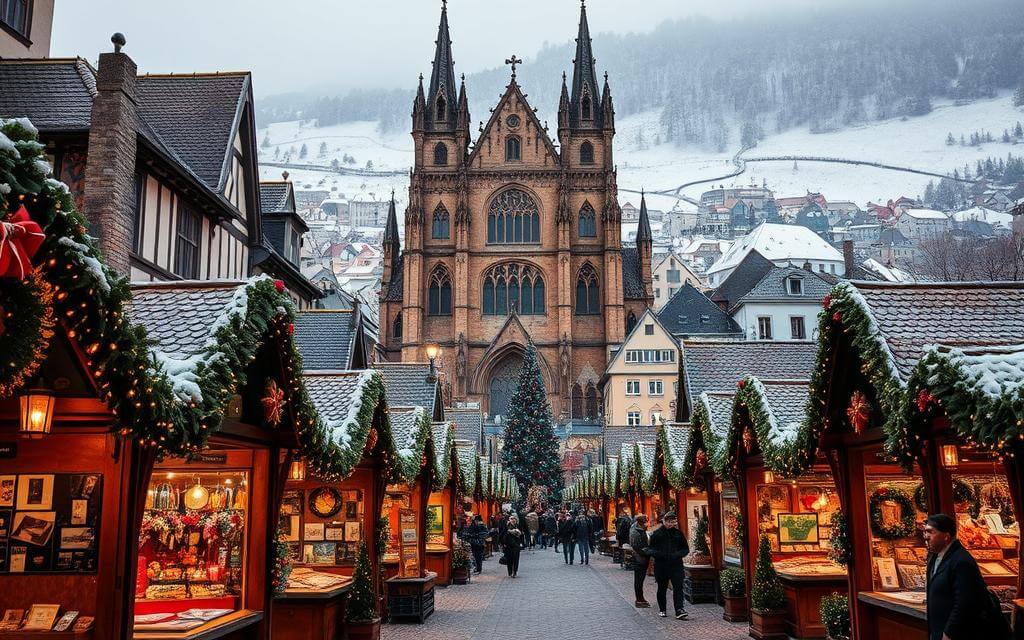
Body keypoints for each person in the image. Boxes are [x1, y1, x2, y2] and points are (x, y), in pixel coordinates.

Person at [924, 513, 1010, 640]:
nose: (925, 536)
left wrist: (949, 633)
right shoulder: (935, 558)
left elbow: (965, 603)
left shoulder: (961, 561)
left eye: (930, 532)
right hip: (938, 631)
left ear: (946, 536)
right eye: (925, 532)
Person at [647, 511, 689, 620]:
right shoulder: (656, 534)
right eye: (669, 522)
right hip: (661, 565)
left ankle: (679, 610)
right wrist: (659, 554)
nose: (671, 524)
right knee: (662, 588)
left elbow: (685, 549)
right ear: (664, 521)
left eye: (673, 522)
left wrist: (677, 554)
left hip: (676, 565)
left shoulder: (678, 533)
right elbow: (650, 549)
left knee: (678, 587)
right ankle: (662, 609)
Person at [629, 514, 652, 608]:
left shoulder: (636, 528)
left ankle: (640, 598)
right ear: (640, 523)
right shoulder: (636, 532)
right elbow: (639, 548)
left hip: (640, 558)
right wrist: (650, 551)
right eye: (645, 522)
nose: (647, 524)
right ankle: (639, 599)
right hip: (640, 559)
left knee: (639, 580)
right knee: (639, 580)